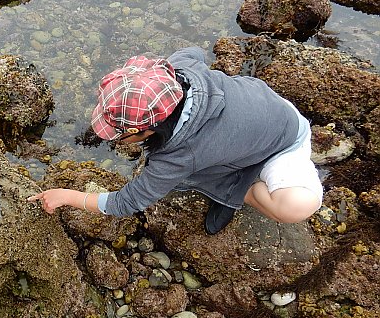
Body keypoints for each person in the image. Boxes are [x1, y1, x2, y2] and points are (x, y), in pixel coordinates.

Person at [29, 47, 323, 234]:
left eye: (121, 133)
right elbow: (194, 50)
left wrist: (68, 196)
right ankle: (233, 174)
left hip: (285, 141)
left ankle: (239, 188)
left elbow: (127, 201)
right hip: (266, 108)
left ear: (148, 129)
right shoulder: (180, 70)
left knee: (296, 206)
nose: (117, 140)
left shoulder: (178, 157)